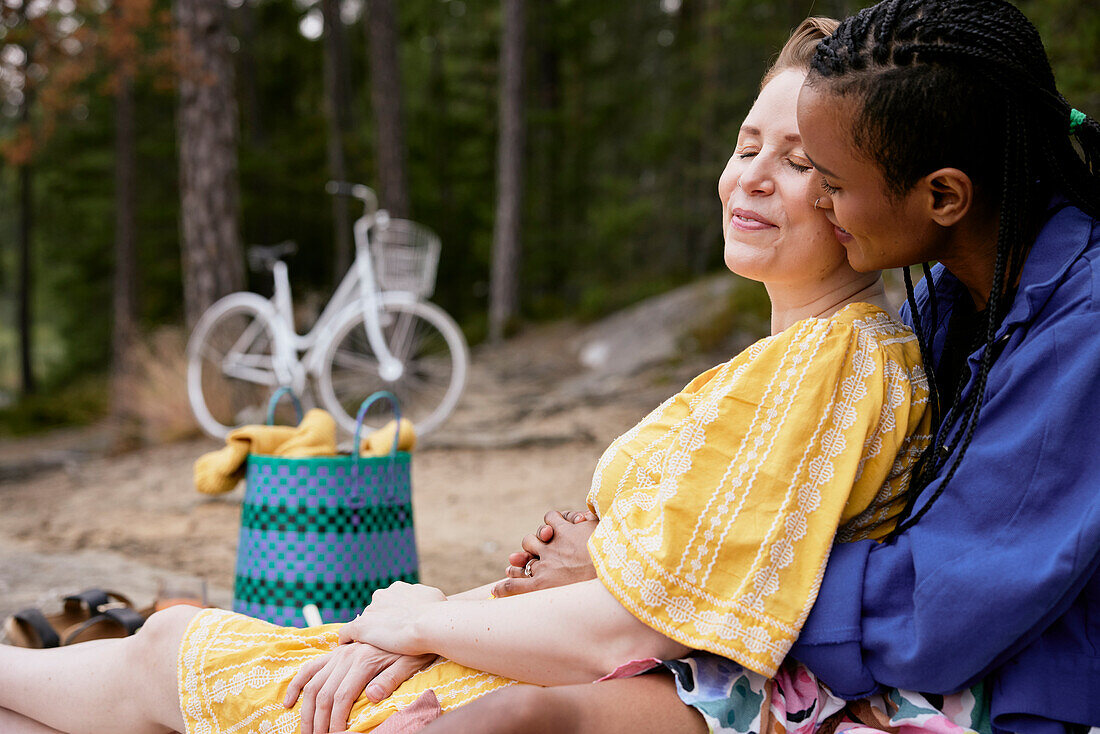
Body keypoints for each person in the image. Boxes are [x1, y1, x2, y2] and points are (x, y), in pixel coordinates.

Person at [0, 17, 936, 734]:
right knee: (157, 659)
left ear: (861, 190)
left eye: (801, 161)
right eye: (746, 145)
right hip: (543, 652)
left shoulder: (836, 361)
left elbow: (636, 630)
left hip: (594, 679)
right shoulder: (800, 357)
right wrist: (431, 616)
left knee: (165, 654)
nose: (752, 178)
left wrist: (418, 622)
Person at [435, 0, 1100, 732]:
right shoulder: (949, 297)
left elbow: (937, 612)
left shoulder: (1080, 332)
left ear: (942, 195)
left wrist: (659, 573)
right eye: (751, 148)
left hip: (1028, 697)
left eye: (830, 179)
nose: (816, 200)